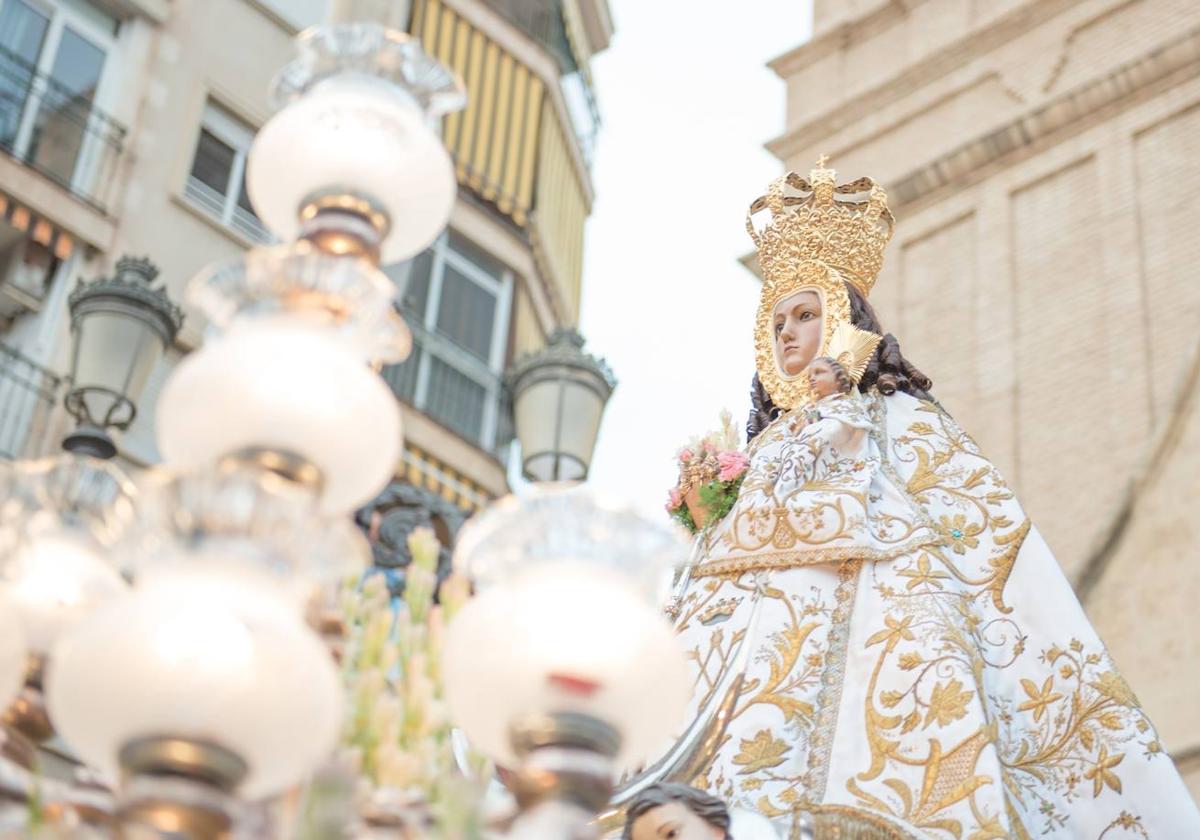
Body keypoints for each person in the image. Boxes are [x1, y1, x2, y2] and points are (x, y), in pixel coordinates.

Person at [659, 162, 1200, 838]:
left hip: (871, 618)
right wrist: (711, 515)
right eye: (778, 324)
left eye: (807, 315)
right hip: (745, 655)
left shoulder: (894, 416)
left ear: (844, 326)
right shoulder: (759, 447)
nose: (790, 333)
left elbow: (962, 517)